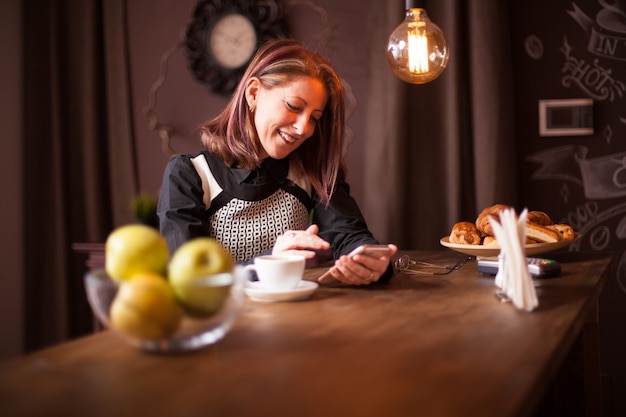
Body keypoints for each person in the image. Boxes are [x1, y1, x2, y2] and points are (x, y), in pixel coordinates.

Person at [157, 39, 396, 285]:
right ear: (253, 93)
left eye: (314, 118)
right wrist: (271, 261)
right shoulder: (189, 173)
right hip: (227, 320)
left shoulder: (311, 170)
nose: (304, 128)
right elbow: (187, 278)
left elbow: (349, 237)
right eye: (294, 106)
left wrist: (371, 262)